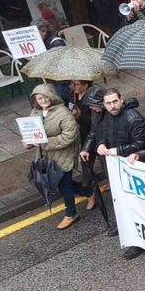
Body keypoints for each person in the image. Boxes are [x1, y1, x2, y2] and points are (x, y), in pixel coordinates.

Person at [25, 83, 93, 230]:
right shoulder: (35, 113)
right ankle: (90, 192)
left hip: (64, 154)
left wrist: (45, 142)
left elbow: (70, 136)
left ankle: (71, 213)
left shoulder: (63, 113)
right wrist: (29, 143)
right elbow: (31, 134)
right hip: (46, 156)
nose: (43, 100)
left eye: (45, 97)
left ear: (52, 96)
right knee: (60, 183)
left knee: (64, 185)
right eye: (39, 98)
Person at [82, 87, 145, 164]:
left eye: (115, 101)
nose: (112, 106)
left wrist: (118, 151)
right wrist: (101, 144)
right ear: (103, 104)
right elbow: (102, 132)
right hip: (114, 161)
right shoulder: (106, 114)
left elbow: (143, 144)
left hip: (131, 162)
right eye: (108, 103)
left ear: (121, 100)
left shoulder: (134, 119)